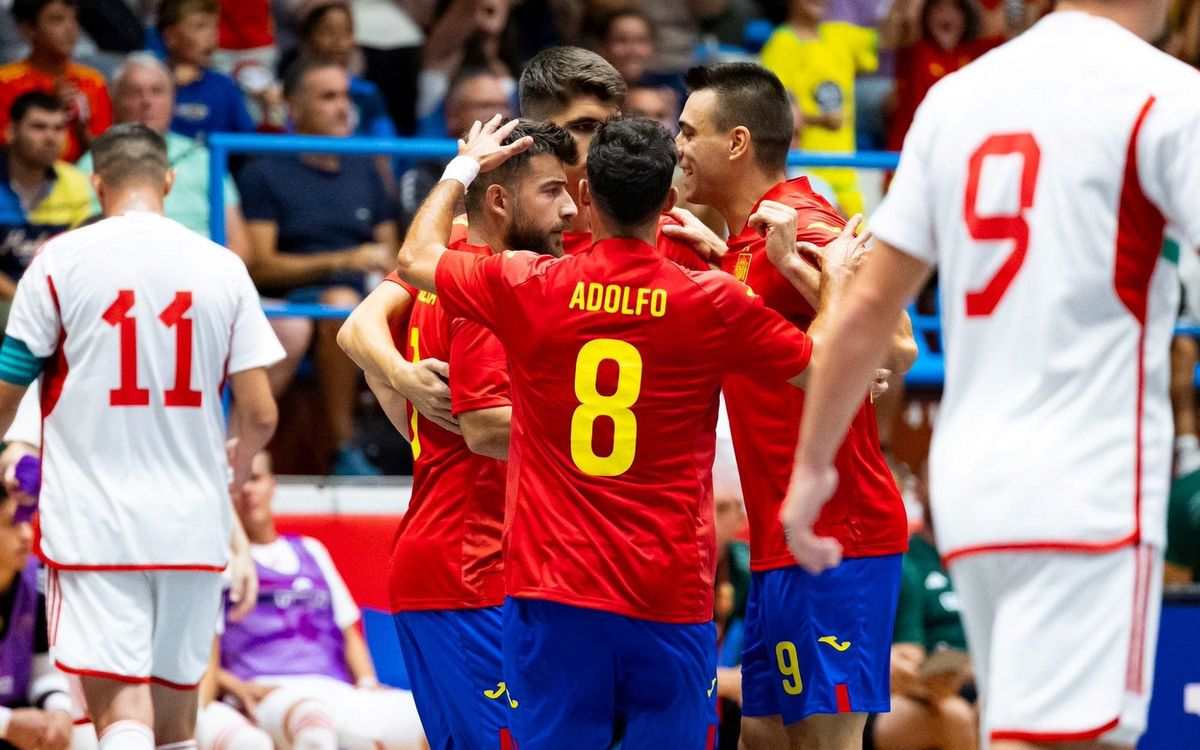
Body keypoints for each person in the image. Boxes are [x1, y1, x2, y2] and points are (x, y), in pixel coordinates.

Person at [781, 3, 1200, 749]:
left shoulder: (960, 96)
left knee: (1015, 731)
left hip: (973, 487)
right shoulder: (1164, 95)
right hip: (1088, 482)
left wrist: (812, 468)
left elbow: (870, 300)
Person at [394, 113, 866, 749]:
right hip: (666, 588)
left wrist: (462, 169)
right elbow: (829, 370)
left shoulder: (528, 282)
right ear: (669, 202)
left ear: (586, 196)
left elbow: (416, 257)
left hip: (553, 586)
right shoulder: (711, 300)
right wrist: (832, 280)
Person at [0, 122, 282, 750]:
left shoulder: (59, 262)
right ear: (169, 180)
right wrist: (229, 475)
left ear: (97, 184)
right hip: (193, 524)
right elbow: (260, 415)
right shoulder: (224, 266)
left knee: (120, 715)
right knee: (179, 716)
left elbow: (8, 390)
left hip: (93, 526)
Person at [676, 61, 915, 750]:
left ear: (738, 143)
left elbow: (896, 345)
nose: (679, 147)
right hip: (782, 541)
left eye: (691, 133)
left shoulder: (806, 223)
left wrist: (802, 278)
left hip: (843, 536)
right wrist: (729, 265)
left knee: (822, 745)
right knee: (760, 738)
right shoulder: (747, 238)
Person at [351, 119, 575, 750]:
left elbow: (357, 340)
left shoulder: (446, 271)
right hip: (472, 569)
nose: (567, 208)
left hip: (454, 560)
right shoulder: (489, 283)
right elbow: (482, 428)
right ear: (500, 200)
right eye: (553, 191)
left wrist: (400, 383)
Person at [236, 59, 396, 475]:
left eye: (345, 96)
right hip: (299, 295)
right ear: (295, 107)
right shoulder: (264, 170)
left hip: (370, 292)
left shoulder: (367, 167)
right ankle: (344, 449)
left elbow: (392, 252)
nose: (344, 107)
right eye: (328, 97)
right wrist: (341, 261)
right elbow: (261, 266)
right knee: (341, 305)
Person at [209, 451, 426, 750]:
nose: (247, 489)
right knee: (313, 726)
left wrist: (366, 684)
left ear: (272, 484)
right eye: (237, 483)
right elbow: (201, 655)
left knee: (429, 718)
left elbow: (350, 631)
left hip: (336, 689)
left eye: (255, 479)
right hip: (270, 690)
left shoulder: (311, 550)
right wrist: (236, 686)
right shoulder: (219, 563)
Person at [76, 53, 250, 261]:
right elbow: (86, 246)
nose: (146, 101)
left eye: (157, 91)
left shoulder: (204, 158)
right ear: (115, 100)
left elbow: (240, 245)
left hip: (203, 275)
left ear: (173, 99)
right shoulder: (92, 163)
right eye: (134, 92)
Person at [760, 0, 879, 217]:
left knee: (855, 246)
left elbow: (895, 37)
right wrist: (821, 120)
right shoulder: (779, 44)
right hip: (804, 174)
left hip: (846, 177)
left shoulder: (839, 35)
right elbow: (776, 113)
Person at [0, 92, 90, 304]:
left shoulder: (75, 181)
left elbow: (82, 258)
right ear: (11, 131)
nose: (51, 137)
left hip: (54, 301)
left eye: (59, 128)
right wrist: (24, 303)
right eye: (39, 127)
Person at [0, 0, 111, 162]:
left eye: (75, 18)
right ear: (27, 29)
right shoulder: (5, 82)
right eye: (57, 19)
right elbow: (4, 152)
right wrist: (50, 107)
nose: (71, 29)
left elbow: (106, 154)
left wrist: (81, 130)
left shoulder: (93, 81)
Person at [289, 0, 397, 140]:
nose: (338, 40)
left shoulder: (368, 93)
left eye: (346, 31)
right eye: (328, 31)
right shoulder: (287, 89)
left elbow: (387, 148)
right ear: (307, 40)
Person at [159, 0, 258, 139]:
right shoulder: (146, 82)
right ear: (170, 37)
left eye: (214, 26)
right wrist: (169, 84)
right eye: (200, 26)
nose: (211, 35)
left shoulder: (225, 86)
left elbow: (248, 144)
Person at [594, 8, 654, 86]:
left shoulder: (663, 91)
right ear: (602, 48)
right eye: (622, 40)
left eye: (641, 40)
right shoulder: (586, 94)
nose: (633, 50)